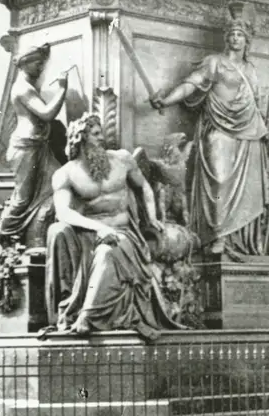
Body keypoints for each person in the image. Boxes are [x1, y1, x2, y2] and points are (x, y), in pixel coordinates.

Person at [150, 5, 269, 257]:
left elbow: (262, 99)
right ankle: (217, 235)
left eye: (240, 34)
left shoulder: (250, 70)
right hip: (218, 129)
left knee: (247, 190)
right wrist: (166, 100)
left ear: (246, 40)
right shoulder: (214, 63)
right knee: (219, 180)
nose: (235, 38)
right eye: (232, 34)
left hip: (249, 134)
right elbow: (190, 85)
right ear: (226, 37)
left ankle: (238, 239)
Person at [45, 114, 182, 340]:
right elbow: (63, 212)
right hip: (88, 236)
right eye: (96, 134)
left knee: (108, 252)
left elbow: (145, 187)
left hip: (124, 234)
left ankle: (88, 317)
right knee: (71, 237)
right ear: (80, 138)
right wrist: (98, 228)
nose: (102, 139)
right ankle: (83, 314)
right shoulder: (66, 173)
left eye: (101, 133)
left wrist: (153, 216)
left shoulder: (122, 159)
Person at [0, 43, 68, 256]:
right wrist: (62, 89)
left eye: (42, 63)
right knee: (22, 199)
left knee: (59, 183)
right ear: (24, 63)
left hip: (39, 147)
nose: (41, 68)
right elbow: (46, 114)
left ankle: (37, 234)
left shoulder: (28, 86)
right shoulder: (23, 88)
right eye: (37, 63)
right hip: (26, 147)